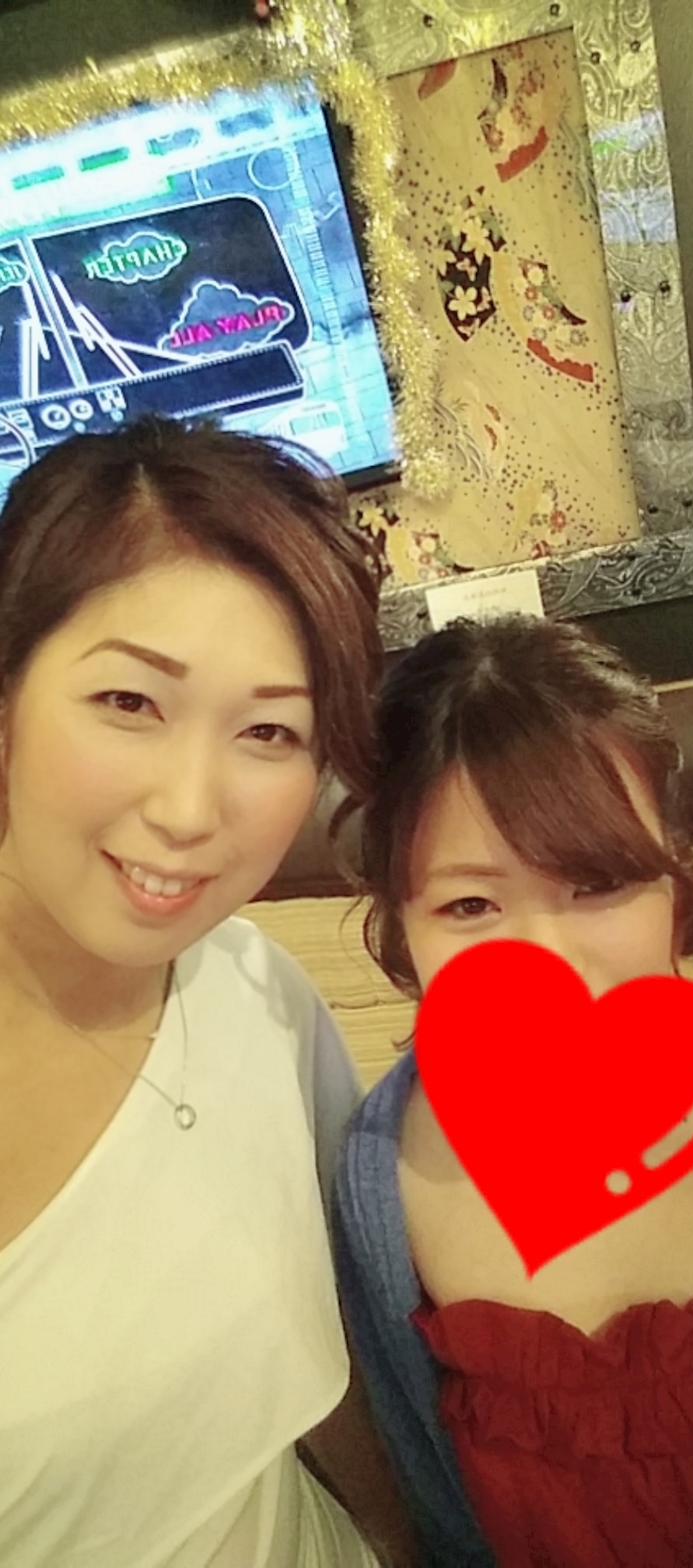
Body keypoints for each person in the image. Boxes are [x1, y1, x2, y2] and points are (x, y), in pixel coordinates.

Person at [0, 415, 421, 1568]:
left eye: (270, 729)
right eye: (130, 702)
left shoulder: (253, 990)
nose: (191, 809)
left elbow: (327, 1337)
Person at [333, 613, 693, 1568]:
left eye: (599, 882)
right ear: (400, 918)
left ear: (674, 869)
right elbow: (441, 1526)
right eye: (470, 904)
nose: (549, 962)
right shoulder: (381, 1181)